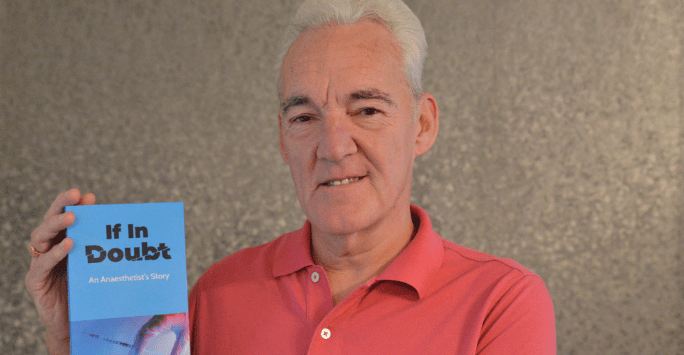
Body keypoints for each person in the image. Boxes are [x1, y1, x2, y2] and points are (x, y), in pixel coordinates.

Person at [26, 0, 556, 354]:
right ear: (282, 138)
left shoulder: (502, 303)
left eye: (367, 110)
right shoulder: (215, 295)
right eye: (305, 118)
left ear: (422, 124)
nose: (333, 147)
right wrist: (86, 334)